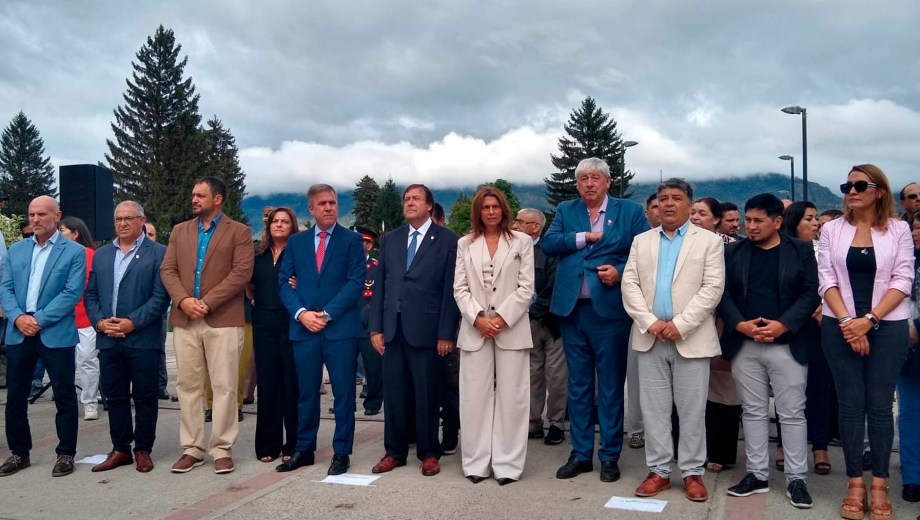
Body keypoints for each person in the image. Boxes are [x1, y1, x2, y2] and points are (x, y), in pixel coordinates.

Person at [543, 157, 649, 483]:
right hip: (573, 311)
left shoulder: (628, 211)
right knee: (578, 386)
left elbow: (646, 252)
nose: (589, 183)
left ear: (607, 181)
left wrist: (620, 272)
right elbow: (548, 243)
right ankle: (580, 454)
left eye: (595, 178)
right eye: (583, 178)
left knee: (610, 386)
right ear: (577, 184)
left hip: (610, 313)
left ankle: (610, 457)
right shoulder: (566, 210)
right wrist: (583, 238)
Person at [818, 164, 913, 520]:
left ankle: (880, 484)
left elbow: (903, 278)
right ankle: (855, 482)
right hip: (838, 325)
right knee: (850, 405)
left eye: (860, 185)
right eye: (847, 185)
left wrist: (869, 321)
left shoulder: (900, 229)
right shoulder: (832, 231)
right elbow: (826, 278)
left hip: (887, 326)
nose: (851, 191)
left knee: (878, 405)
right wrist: (848, 322)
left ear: (880, 191)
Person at [621, 178, 724, 502]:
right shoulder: (642, 241)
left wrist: (679, 324)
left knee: (692, 411)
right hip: (650, 338)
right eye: (663, 198)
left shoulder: (708, 241)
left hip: (690, 338)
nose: (668, 203)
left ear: (688, 205)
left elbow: (712, 289)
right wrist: (651, 322)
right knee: (654, 410)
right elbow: (630, 285)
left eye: (676, 198)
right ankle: (659, 471)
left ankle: (693, 472)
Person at [719, 193, 819, 509]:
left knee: (791, 412)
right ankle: (757, 475)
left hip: (788, 344)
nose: (751, 226)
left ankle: (796, 479)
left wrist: (782, 325)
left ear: (777, 221)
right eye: (748, 219)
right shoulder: (734, 252)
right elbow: (723, 295)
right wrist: (741, 325)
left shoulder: (801, 251)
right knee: (752, 410)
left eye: (758, 220)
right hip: (745, 344)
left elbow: (810, 293)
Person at [160, 177, 254, 475]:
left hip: (222, 320)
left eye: (200, 195)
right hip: (186, 319)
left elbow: (241, 273)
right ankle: (192, 448)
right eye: (193, 195)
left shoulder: (239, 232)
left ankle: (222, 448)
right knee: (187, 385)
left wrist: (207, 302)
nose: (194, 200)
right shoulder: (180, 231)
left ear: (218, 199)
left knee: (224, 385)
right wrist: (183, 300)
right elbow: (168, 269)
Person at [369, 184, 460, 477]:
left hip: (428, 330)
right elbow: (381, 285)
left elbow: (450, 290)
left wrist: (446, 332)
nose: (409, 203)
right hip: (393, 330)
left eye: (415, 199)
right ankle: (394, 452)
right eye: (406, 199)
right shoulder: (391, 239)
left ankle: (429, 452)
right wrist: (376, 328)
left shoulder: (447, 240)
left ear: (429, 206)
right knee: (394, 394)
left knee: (427, 394)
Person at [276, 185, 364, 475]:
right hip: (304, 330)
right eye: (322, 204)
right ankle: (304, 448)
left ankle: (341, 452)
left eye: (333, 203)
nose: (329, 207)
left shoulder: (351, 240)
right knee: (306, 393)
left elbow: (355, 283)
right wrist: (302, 314)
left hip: (339, 330)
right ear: (311, 209)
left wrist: (325, 315)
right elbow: (283, 282)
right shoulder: (297, 242)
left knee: (343, 394)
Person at [0, 195, 86, 477]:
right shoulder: (16, 251)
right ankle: (19, 453)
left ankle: (65, 454)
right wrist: (18, 317)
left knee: (63, 396)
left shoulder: (73, 252)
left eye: (41, 214)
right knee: (15, 397)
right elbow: (6, 289)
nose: (35, 219)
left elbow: (71, 293)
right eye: (31, 214)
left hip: (55, 333)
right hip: (19, 332)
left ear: (56, 215)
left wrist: (37, 320)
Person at [454, 187, 534, 485]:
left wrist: (499, 319)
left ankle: (508, 465)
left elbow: (526, 288)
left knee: (513, 398)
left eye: (495, 206)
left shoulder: (522, 242)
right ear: (478, 211)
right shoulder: (465, 243)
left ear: (504, 210)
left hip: (510, 328)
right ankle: (476, 462)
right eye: (485, 207)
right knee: (473, 398)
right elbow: (459, 288)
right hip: (475, 329)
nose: (490, 211)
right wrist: (477, 319)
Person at [84, 201, 169, 473]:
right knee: (115, 397)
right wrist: (98, 322)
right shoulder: (102, 254)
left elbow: (160, 297)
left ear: (141, 220)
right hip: (109, 338)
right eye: (118, 218)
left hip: (142, 339)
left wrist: (133, 322)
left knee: (145, 397)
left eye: (128, 218)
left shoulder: (158, 253)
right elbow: (92, 294)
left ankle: (143, 449)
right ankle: (120, 448)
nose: (122, 223)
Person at [777, 200, 833, 475]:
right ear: (794, 222)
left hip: (823, 327)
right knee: (787, 390)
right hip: (791, 326)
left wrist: (828, 306)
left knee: (820, 388)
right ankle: (784, 445)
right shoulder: (781, 250)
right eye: (809, 219)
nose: (815, 224)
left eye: (816, 219)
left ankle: (819, 447)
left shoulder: (826, 249)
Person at [689, 196, 742, 473]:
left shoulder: (733, 249)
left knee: (722, 388)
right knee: (692, 390)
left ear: (717, 219)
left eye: (702, 213)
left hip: (721, 321)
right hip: (687, 325)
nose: (695, 217)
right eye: (693, 212)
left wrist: (726, 321)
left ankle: (719, 451)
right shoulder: (682, 244)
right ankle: (689, 449)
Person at [249, 207, 299, 463]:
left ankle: (293, 444)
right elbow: (248, 285)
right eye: (275, 221)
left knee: (291, 384)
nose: (279, 225)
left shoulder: (300, 253)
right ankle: (268, 445)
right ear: (268, 226)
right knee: (267, 384)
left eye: (285, 221)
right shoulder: (257, 254)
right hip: (264, 323)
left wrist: (300, 286)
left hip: (292, 323)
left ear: (293, 225)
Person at [513, 208, 567, 446]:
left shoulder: (551, 250)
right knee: (531, 374)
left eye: (520, 221)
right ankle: (533, 422)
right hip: (524, 322)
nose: (515, 225)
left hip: (552, 323)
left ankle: (556, 423)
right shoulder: (514, 250)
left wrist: (531, 312)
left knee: (556, 376)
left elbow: (555, 285)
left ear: (536, 227)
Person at [58, 216, 99, 421]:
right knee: (64, 363)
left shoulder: (89, 254)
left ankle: (90, 401)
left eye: (63, 230)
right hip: (62, 317)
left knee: (87, 360)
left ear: (75, 234)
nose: (59, 234)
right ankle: (67, 402)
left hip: (84, 316)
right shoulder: (56, 254)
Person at [898, 211, 920, 504]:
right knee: (910, 413)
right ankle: (912, 476)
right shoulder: (905, 261)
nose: (917, 232)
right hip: (908, 347)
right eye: (915, 226)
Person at [351, 225, 383, 416]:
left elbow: (381, 294)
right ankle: (345, 402)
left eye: (359, 242)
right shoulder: (341, 266)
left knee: (373, 367)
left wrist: (368, 313)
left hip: (367, 325)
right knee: (345, 368)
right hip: (345, 324)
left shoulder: (376, 267)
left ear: (368, 245)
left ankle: (373, 402)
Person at [144, 223, 171, 401]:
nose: (148, 237)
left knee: (159, 349)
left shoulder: (163, 253)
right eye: (145, 233)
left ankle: (161, 386)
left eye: (152, 234)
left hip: (157, 310)